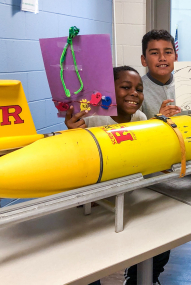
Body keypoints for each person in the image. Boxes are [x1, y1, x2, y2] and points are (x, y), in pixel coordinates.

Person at [65, 66, 169, 285]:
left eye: (139, 89)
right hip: (94, 203)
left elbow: (148, 153)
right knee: (90, 259)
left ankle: (138, 278)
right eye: (125, 87)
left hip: (128, 198)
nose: (134, 93)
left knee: (159, 246)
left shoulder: (140, 118)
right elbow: (75, 157)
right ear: (108, 91)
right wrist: (72, 132)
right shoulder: (92, 120)